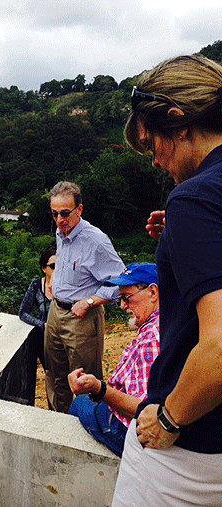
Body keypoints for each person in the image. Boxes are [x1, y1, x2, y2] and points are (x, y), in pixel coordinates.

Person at [112, 55, 222, 507]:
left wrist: (169, 419)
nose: (154, 161)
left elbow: (219, 344)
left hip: (194, 450)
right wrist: (179, 240)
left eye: (150, 142)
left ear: (178, 122)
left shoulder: (195, 200)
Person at [45, 181, 125, 413]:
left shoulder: (96, 241)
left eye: (65, 213)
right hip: (56, 312)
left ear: (79, 210)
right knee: (55, 376)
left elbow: (120, 281)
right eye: (54, 214)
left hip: (82, 318)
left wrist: (90, 301)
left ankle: (87, 429)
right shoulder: (62, 233)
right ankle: (58, 423)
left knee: (84, 380)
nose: (60, 220)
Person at [68, 263, 160, 458]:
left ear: (153, 292)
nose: (122, 306)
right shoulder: (163, 322)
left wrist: (98, 389)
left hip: (128, 432)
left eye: (127, 298)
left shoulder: (153, 337)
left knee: (79, 403)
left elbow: (143, 412)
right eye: (120, 298)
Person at [19, 247, 56, 370]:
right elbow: (23, 312)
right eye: (53, 266)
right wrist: (42, 324)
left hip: (64, 335)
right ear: (44, 269)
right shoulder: (36, 286)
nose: (57, 270)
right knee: (50, 373)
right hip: (45, 338)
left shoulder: (67, 286)